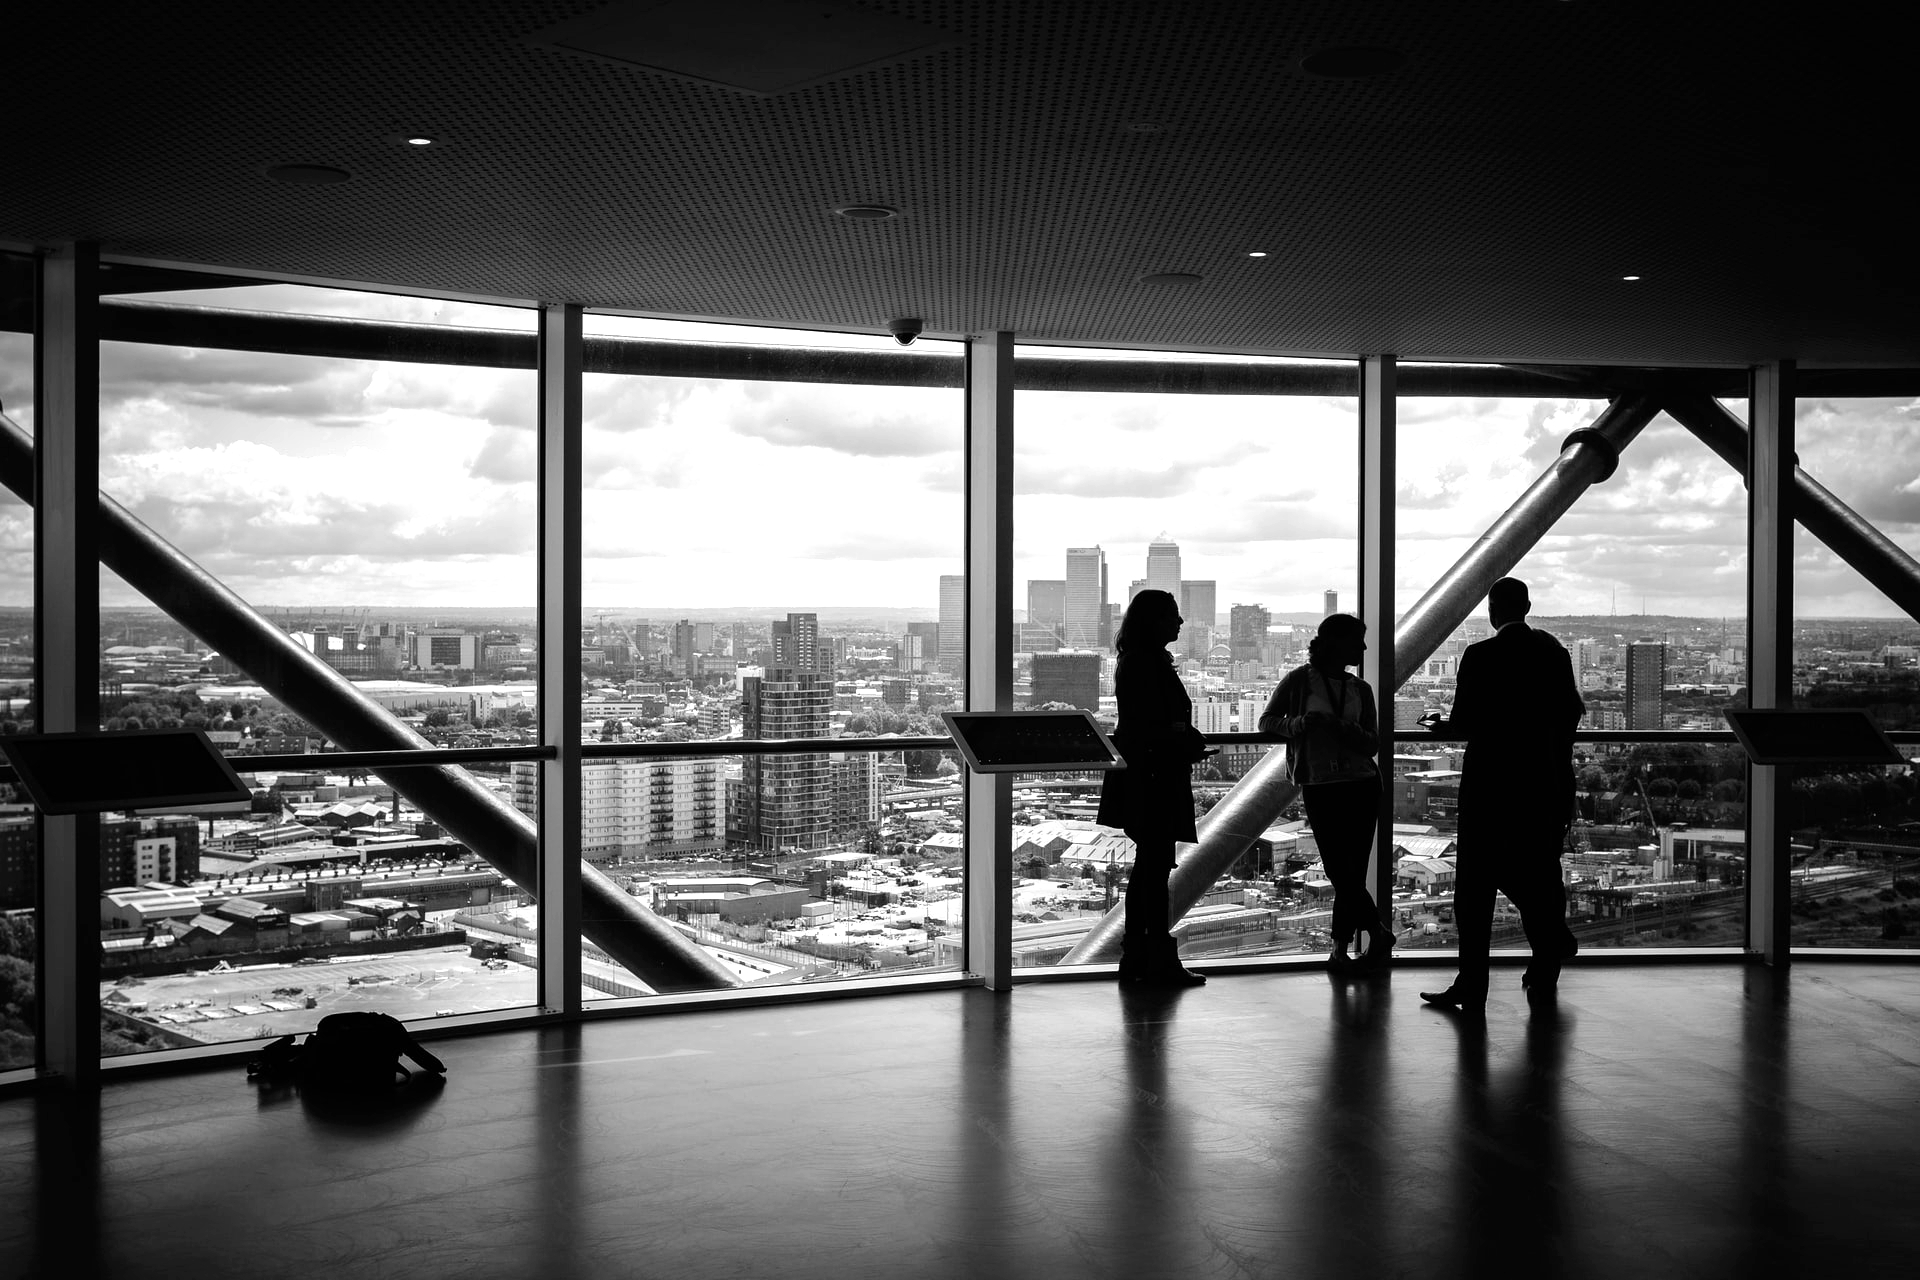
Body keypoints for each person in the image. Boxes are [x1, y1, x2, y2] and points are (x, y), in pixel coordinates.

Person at [1420, 577, 1585, 1012]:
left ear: (1493, 611)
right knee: (1540, 870)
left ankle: (1473, 985)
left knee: (1475, 889)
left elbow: (1465, 723)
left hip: (1491, 786)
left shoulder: (1481, 655)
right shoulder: (1554, 654)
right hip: (1544, 784)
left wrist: (1440, 728)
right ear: (1527, 606)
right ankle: (1546, 959)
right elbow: (1571, 713)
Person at [1260, 614, 1394, 973]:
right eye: (1358, 641)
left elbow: (1371, 743)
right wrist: (1301, 724)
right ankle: (1375, 932)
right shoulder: (1299, 682)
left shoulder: (1359, 689)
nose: (1364, 648)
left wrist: (1334, 726)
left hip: (1359, 784)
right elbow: (1268, 721)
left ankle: (1340, 950)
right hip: (1327, 784)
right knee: (1342, 871)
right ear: (1337, 644)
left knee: (1347, 871)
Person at [1096, 589, 1211, 986]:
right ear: (1154, 621)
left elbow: (1143, 723)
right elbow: (1154, 724)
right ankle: (1154, 958)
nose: (1180, 623)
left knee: (1150, 869)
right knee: (1154, 869)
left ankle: (1140, 957)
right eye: (1174, 616)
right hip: (1155, 777)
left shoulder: (1135, 661)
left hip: (1143, 775)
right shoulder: (1148, 664)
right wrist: (1185, 740)